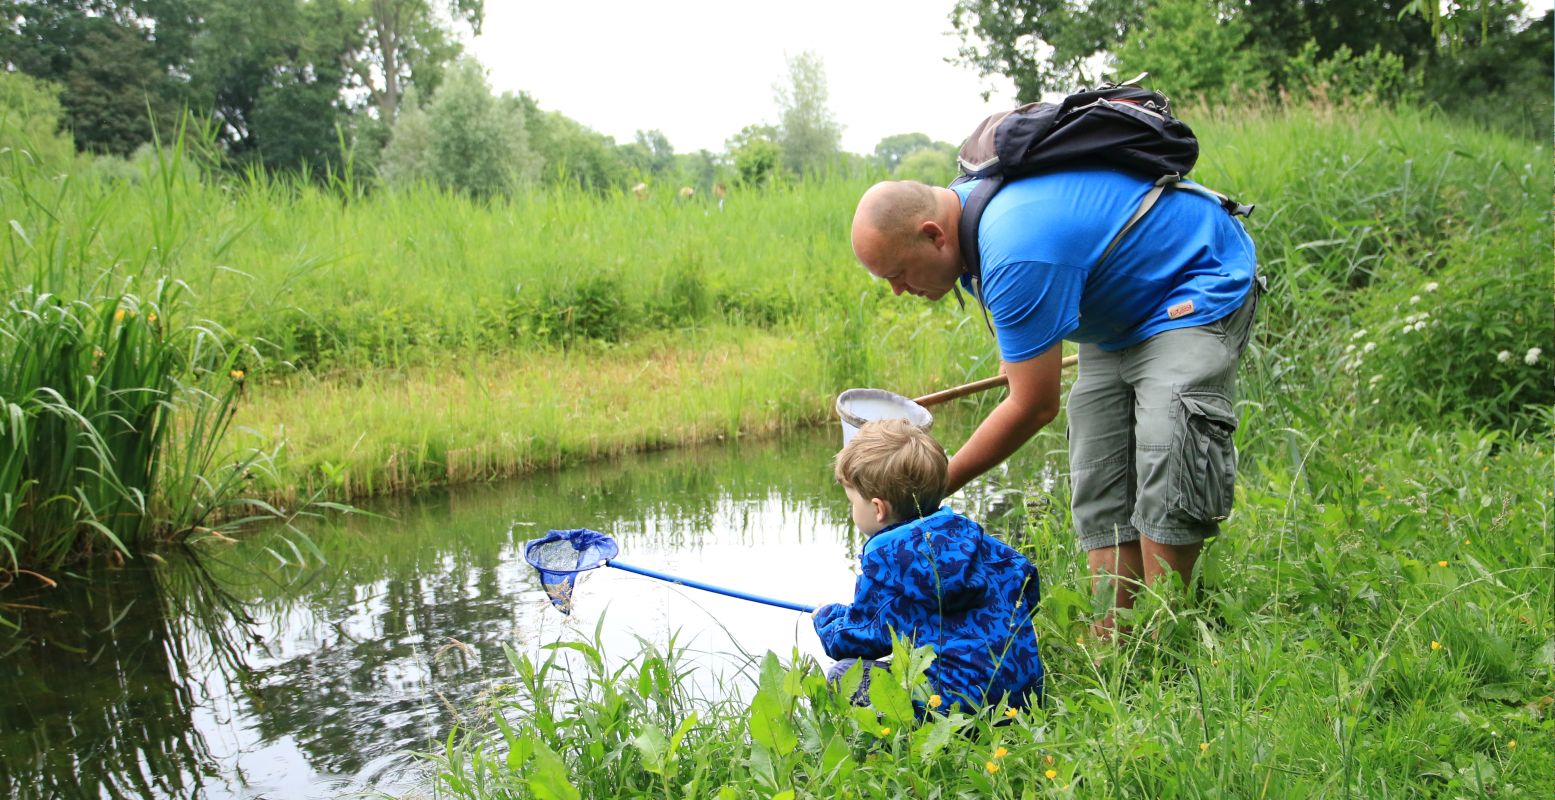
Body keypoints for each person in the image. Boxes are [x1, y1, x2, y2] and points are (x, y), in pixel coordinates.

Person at [849, 170, 1259, 638]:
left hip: (1191, 280)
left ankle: (1169, 643)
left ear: (933, 235)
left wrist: (928, 491)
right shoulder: (966, 223)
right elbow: (1024, 354)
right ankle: (1115, 643)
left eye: (898, 274)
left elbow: (1033, 405)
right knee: (1099, 460)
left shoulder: (1013, 245)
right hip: (1116, 312)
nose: (898, 291)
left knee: (1168, 446)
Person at [813, 419, 1044, 712]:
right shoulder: (971, 537)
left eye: (852, 502)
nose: (851, 511)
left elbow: (857, 640)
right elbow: (1026, 583)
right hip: (1022, 700)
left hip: (956, 712)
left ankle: (894, 743)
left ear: (878, 509)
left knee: (844, 675)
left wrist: (826, 618)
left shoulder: (887, 560)